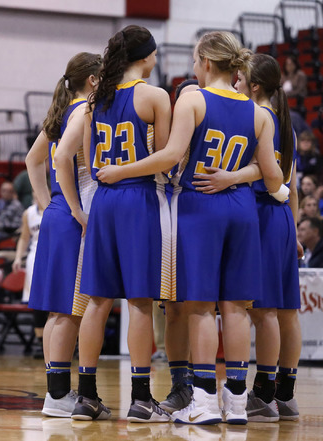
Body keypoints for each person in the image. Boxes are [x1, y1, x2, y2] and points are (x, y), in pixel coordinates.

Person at [96, 31, 284, 425]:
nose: (193, 69)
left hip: (200, 205)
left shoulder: (192, 98)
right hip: (242, 208)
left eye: (196, 61)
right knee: (236, 307)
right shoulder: (259, 113)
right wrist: (234, 176)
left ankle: (201, 398)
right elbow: (273, 178)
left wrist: (119, 171)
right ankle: (235, 401)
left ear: (207, 63)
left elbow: (169, 155)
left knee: (199, 307)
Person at [57, 26, 172, 422]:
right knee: (139, 301)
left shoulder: (94, 101)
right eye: (154, 54)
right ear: (145, 56)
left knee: (97, 301)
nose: (156, 61)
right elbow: (166, 157)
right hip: (138, 196)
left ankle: (86, 396)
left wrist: (113, 172)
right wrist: (127, 170)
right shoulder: (155, 96)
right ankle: (141, 398)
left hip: (104, 201)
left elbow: (89, 161)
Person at [194, 53, 303, 421]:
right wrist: (294, 224)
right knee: (283, 312)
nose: (236, 82)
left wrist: (228, 177)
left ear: (254, 85)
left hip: (262, 214)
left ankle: (264, 393)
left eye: (241, 79)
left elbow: (270, 177)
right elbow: (293, 186)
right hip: (281, 217)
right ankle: (282, 393)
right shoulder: (283, 120)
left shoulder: (263, 116)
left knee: (265, 312)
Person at [26, 51, 102, 419]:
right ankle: (57, 395)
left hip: (56, 211)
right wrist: (72, 207)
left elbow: (31, 160)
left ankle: (56, 390)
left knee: (59, 311)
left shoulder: (59, 114)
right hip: (72, 213)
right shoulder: (84, 111)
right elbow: (55, 161)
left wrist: (46, 203)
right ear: (92, 80)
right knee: (72, 311)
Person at [159, 78, 201, 415]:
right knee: (174, 308)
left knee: (208, 307)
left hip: (202, 215)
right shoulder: (164, 129)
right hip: (167, 215)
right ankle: (180, 384)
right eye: (185, 97)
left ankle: (219, 388)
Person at [12, 197, 44, 358]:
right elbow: (24, 237)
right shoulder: (29, 213)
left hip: (54, 255)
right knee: (37, 302)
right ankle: (40, 343)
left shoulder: (58, 207)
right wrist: (18, 257)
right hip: (34, 256)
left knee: (55, 301)